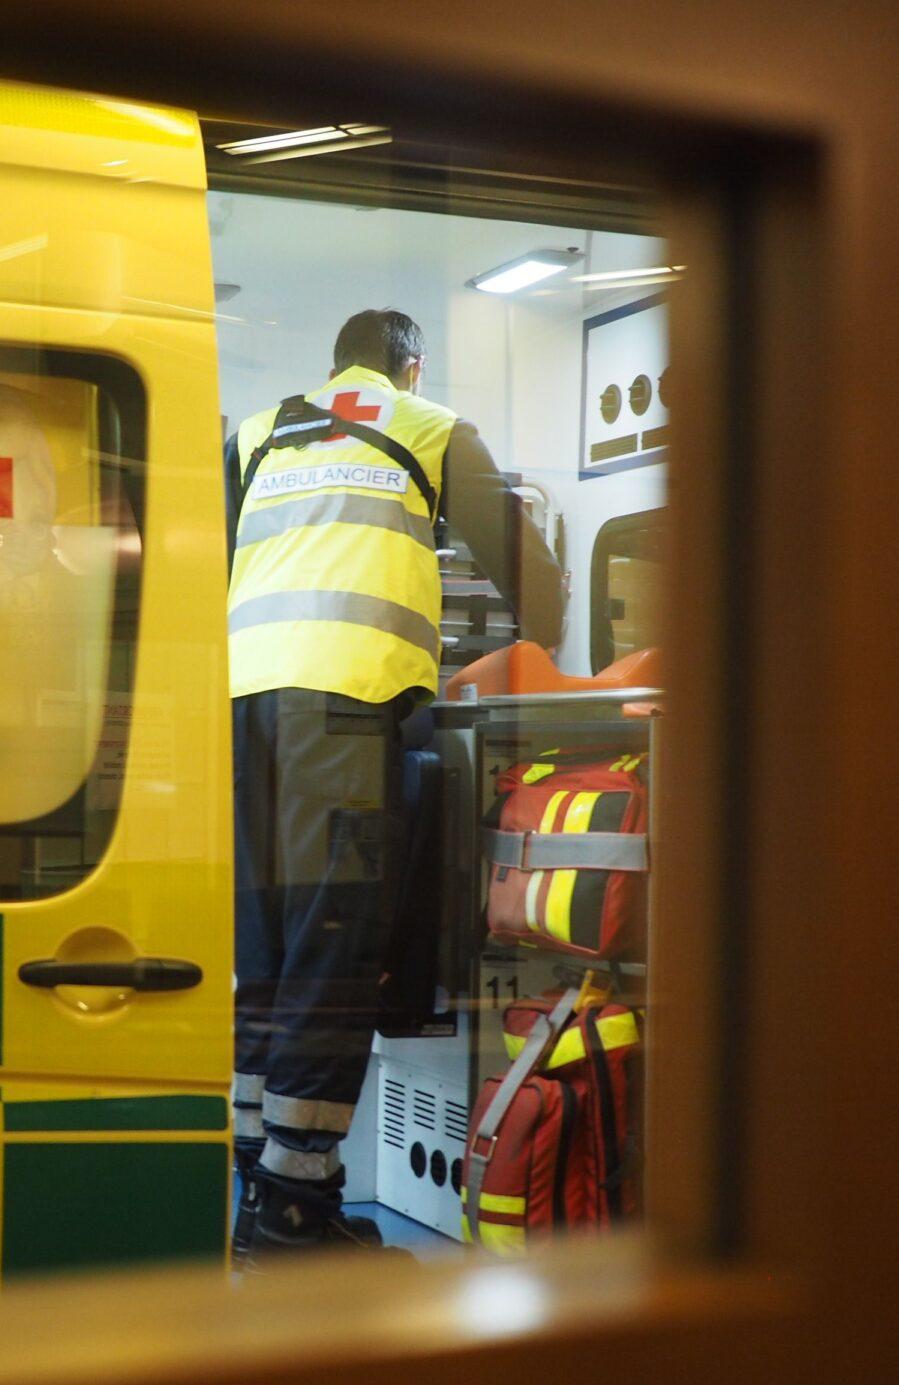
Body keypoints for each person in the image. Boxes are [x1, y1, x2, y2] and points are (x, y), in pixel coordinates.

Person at [225, 309, 563, 1260]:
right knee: (335, 947)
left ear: (332, 363)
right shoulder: (426, 425)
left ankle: (257, 1180)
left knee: (271, 945)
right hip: (347, 705)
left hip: (244, 705)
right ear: (412, 366)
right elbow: (537, 587)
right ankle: (297, 1210)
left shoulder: (254, 432)